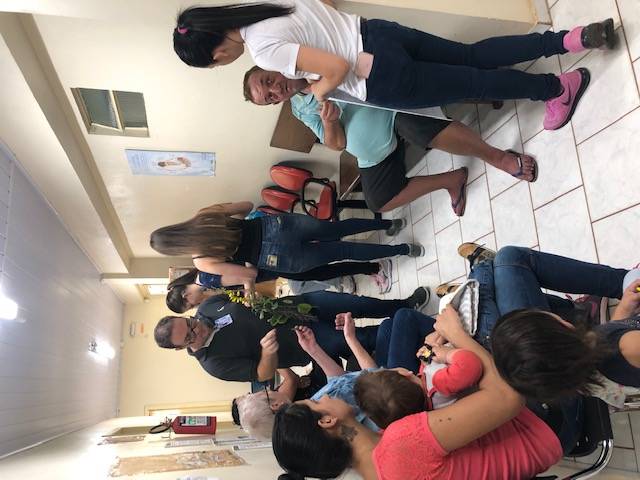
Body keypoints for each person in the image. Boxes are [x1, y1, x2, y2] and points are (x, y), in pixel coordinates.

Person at [172, 0, 616, 130]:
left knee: (474, 84)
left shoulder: (262, 50)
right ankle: (570, 39)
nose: (221, 65)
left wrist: (317, 91)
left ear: (215, 53)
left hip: (378, 74)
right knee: (471, 56)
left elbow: (335, 68)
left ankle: (555, 89)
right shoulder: (262, 5)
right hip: (378, 32)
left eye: (213, 65)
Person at [272, 304, 574, 480]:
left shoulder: (380, 458)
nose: (324, 396)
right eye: (316, 402)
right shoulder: (398, 445)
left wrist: (435, 353)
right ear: (326, 421)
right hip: (541, 425)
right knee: (508, 283)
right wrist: (456, 335)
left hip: (527, 434)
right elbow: (508, 398)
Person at [244, 66, 539, 214]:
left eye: (268, 81)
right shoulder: (299, 107)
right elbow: (336, 144)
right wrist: (329, 122)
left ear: (271, 65)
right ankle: (452, 180)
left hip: (390, 108)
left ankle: (499, 157)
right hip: (372, 151)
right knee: (378, 200)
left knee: (417, 128)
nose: (276, 90)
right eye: (270, 97)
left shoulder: (310, 64)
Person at [438, 243, 640, 403]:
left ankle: (480, 275)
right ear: (564, 326)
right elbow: (620, 347)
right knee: (509, 258)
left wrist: (622, 313)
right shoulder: (625, 345)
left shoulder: (579, 370)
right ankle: (481, 271)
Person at [153, 287, 429, 382]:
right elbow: (261, 375)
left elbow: (238, 297)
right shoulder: (214, 363)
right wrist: (267, 353)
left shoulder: (206, 308)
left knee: (356, 304)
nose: (197, 328)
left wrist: (254, 298)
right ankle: (416, 334)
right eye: (190, 337)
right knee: (363, 338)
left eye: (189, 323)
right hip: (305, 341)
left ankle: (404, 305)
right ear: (181, 348)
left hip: (300, 306)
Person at [150, 202, 423, 292]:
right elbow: (247, 206)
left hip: (276, 257)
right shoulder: (205, 214)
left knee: (344, 252)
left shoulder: (202, 261)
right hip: (276, 226)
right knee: (336, 229)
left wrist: (244, 262)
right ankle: (389, 223)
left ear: (175, 250)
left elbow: (249, 275)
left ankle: (403, 250)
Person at [166, 260, 394, 313]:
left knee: (323, 270)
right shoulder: (206, 283)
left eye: (190, 306)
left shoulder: (206, 278)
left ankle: (374, 267)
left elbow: (246, 273)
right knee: (322, 271)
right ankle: (370, 268)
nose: (195, 307)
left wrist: (250, 294)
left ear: (185, 295)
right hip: (274, 269)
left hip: (271, 265)